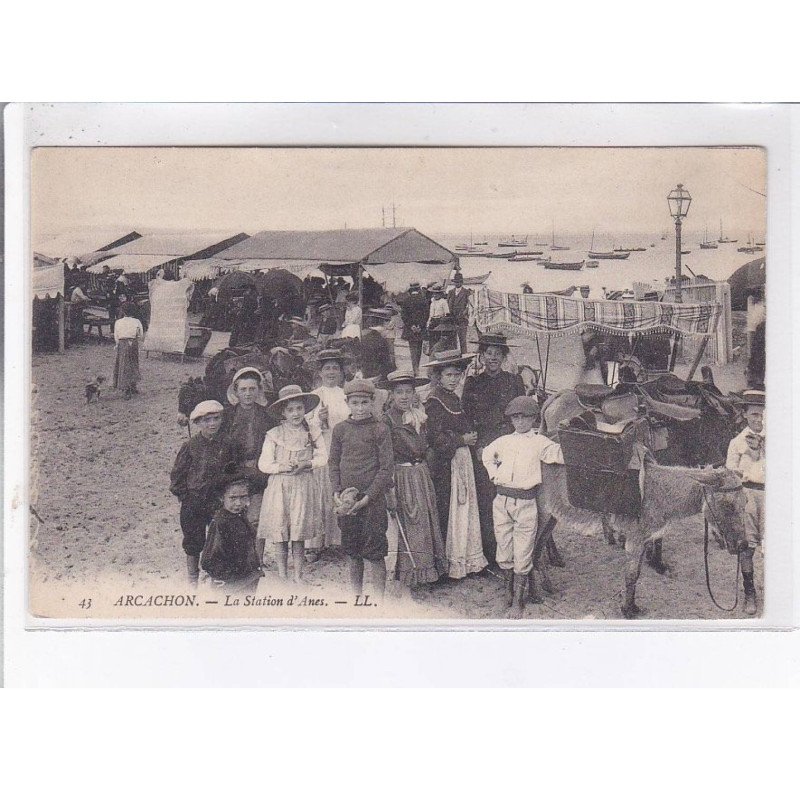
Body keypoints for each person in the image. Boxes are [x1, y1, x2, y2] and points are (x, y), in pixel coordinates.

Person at [481, 396, 564, 618]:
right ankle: (507, 593)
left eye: (525, 417)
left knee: (524, 551)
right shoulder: (503, 441)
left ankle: (518, 601)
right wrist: (495, 473)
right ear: (511, 419)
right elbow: (487, 455)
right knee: (504, 548)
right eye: (516, 417)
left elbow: (560, 454)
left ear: (534, 418)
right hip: (501, 501)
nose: (520, 422)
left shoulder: (540, 442)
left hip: (526, 502)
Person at [462, 333, 525, 565]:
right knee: (488, 496)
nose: (493, 358)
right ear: (482, 356)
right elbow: (466, 415)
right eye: (489, 353)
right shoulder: (473, 383)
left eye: (498, 354)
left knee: (511, 493)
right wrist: (478, 445)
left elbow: (522, 413)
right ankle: (491, 552)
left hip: (508, 442)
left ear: (504, 356)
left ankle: (514, 549)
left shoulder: (513, 381)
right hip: (485, 445)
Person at [328, 379, 395, 601]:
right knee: (353, 552)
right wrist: (337, 491)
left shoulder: (380, 429)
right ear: (347, 403)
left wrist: (368, 497)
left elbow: (386, 469)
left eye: (364, 402)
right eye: (355, 403)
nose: (359, 408)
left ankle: (378, 601)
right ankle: (357, 598)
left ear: (372, 402)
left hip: (372, 502)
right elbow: (333, 463)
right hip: (348, 502)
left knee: (374, 552)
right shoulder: (340, 430)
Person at [424, 348, 487, 579]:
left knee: (464, 506)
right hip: (447, 463)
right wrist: (461, 440)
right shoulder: (434, 401)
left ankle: (467, 560)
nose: (453, 379)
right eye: (448, 375)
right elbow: (433, 437)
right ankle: (450, 564)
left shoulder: (452, 398)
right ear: (439, 376)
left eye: (456, 375)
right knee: (451, 508)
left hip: (461, 460)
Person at [382, 370, 447, 588]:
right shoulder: (387, 420)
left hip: (420, 474)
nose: (404, 396)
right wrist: (389, 486)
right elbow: (386, 455)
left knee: (425, 521)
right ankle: (409, 574)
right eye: (399, 392)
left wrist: (428, 465)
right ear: (391, 394)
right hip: (402, 476)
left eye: (408, 391)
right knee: (410, 521)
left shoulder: (419, 415)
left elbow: (426, 445)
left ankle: (427, 572)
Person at [258, 385, 327, 583]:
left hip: (303, 485)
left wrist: (308, 463)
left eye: (299, 408)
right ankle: (282, 574)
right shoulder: (274, 434)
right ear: (283, 412)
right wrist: (282, 466)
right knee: (281, 533)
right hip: (280, 486)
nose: (295, 413)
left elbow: (323, 456)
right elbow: (264, 464)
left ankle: (298, 575)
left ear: (304, 409)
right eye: (290, 410)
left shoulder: (312, 432)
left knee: (298, 533)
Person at [170, 400, 244, 585]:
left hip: (218, 502)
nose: (212, 424)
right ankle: (192, 579)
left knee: (220, 539)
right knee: (193, 541)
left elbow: (236, 471)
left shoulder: (229, 444)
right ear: (198, 423)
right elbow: (178, 475)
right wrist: (185, 496)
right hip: (194, 501)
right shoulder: (190, 446)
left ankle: (216, 575)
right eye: (207, 420)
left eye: (216, 419)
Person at [304, 349, 351, 560]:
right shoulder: (314, 396)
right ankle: (313, 544)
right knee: (319, 494)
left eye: (335, 368)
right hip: (321, 449)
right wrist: (318, 421)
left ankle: (337, 540)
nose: (331, 372)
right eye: (327, 368)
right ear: (320, 373)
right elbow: (303, 427)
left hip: (343, 450)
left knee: (338, 491)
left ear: (341, 372)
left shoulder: (347, 395)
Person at [726, 388, 765, 615]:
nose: (759, 419)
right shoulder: (737, 442)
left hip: (774, 496)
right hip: (748, 496)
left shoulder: (781, 438)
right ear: (746, 415)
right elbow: (730, 474)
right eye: (754, 415)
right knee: (747, 547)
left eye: (762, 414)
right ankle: (750, 591)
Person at [220, 367, 273, 537]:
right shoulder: (227, 416)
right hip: (234, 472)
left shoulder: (267, 415)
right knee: (234, 517)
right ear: (236, 391)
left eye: (252, 389)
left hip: (259, 472)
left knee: (256, 519)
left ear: (259, 390)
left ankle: (255, 560)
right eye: (243, 389)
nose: (248, 393)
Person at [200, 466, 263, 593]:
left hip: (247, 578)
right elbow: (209, 558)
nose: (238, 503)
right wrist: (223, 578)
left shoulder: (240, 516)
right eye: (233, 498)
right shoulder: (220, 523)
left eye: (243, 497)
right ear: (222, 498)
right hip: (231, 583)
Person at [113, 301, 144, 399]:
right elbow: (140, 335)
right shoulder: (137, 321)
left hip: (122, 343)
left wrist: (118, 344)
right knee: (133, 364)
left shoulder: (118, 322)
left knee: (123, 365)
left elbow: (116, 336)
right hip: (133, 343)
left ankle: (126, 387)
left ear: (123, 311)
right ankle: (132, 385)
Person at [399, 282, 429, 375]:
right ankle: (417, 367)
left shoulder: (406, 300)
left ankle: (414, 368)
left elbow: (403, 315)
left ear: (410, 290)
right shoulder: (423, 300)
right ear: (418, 289)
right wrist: (420, 326)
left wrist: (411, 326)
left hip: (410, 328)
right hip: (420, 328)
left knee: (412, 349)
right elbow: (426, 314)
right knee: (419, 348)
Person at [360, 308, 397, 381]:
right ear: (382, 324)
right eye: (386, 322)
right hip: (377, 376)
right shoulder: (381, 340)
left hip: (364, 374)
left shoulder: (365, 338)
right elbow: (386, 364)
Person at [447, 272, 472, 354]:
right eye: (456, 282)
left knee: (462, 341)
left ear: (462, 282)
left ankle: (464, 357)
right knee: (452, 340)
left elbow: (469, 305)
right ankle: (454, 357)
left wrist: (465, 312)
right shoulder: (450, 292)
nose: (457, 283)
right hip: (452, 320)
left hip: (462, 320)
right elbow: (447, 305)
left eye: (459, 282)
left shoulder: (466, 292)